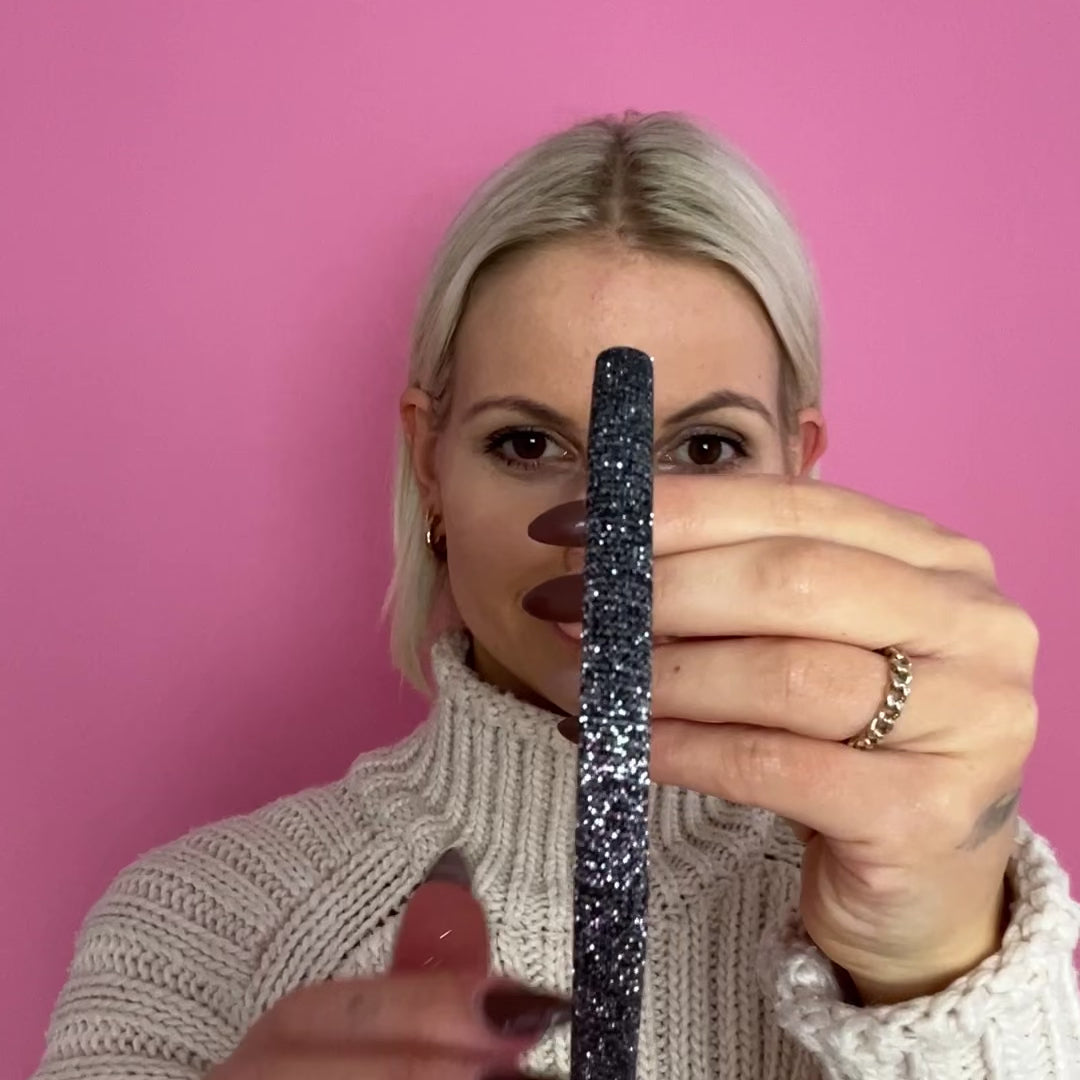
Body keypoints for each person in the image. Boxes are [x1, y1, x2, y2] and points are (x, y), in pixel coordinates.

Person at [31, 111, 1080, 1080]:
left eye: (704, 449)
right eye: (528, 443)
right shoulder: (196, 925)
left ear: (796, 471)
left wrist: (938, 977)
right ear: (430, 464)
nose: (613, 523)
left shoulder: (944, 901)